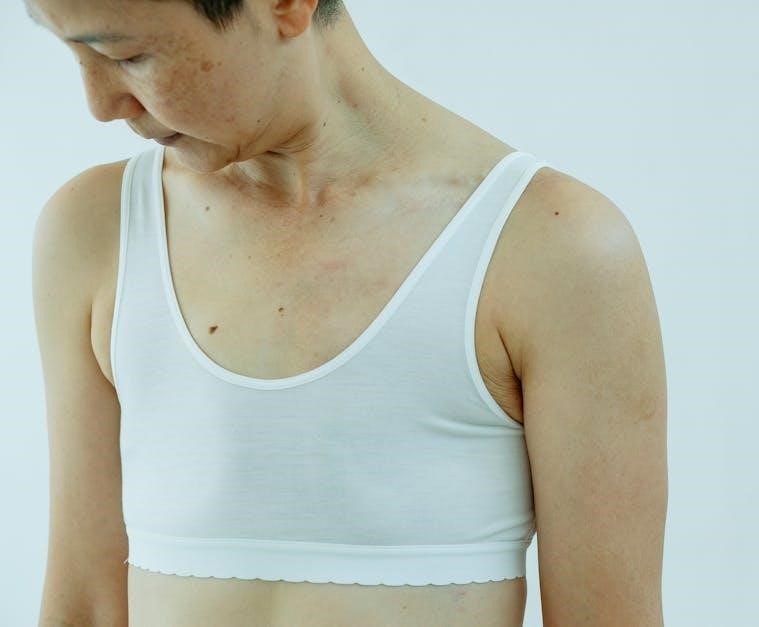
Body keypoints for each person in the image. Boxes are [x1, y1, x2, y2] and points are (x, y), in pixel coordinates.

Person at [29, 1, 668, 625]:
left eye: (129, 56)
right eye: (74, 50)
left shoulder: (548, 247)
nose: (99, 105)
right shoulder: (100, 230)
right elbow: (85, 605)